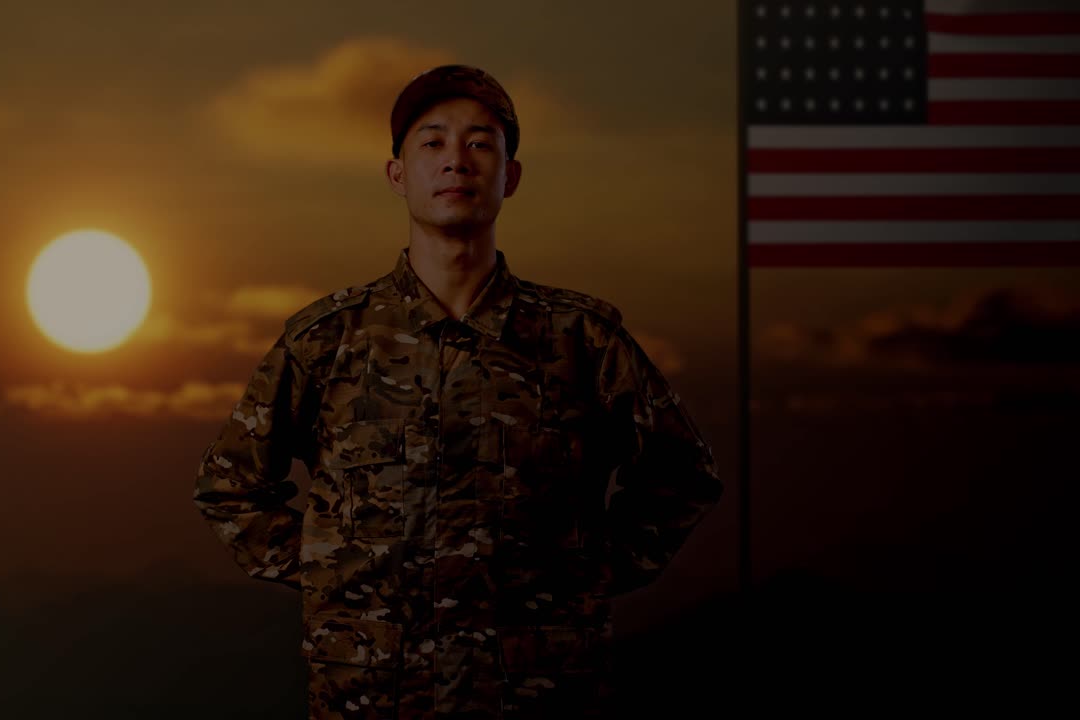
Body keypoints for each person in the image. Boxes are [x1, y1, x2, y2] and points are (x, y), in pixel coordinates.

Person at [193, 64, 722, 719]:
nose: (456, 162)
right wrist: (331, 569)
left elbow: (684, 472)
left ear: (511, 176)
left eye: (480, 144)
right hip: (373, 693)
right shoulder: (329, 340)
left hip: (540, 690)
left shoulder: (580, 339)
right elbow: (229, 485)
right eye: (433, 142)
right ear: (397, 175)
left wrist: (593, 571)